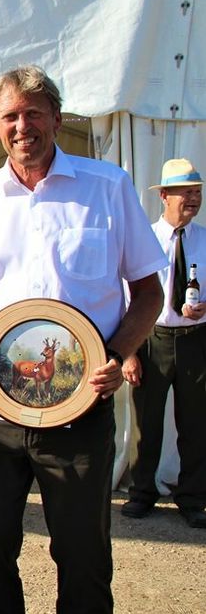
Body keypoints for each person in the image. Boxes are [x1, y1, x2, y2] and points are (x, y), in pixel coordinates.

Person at [0, 66, 166, 614]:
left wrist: (114, 353)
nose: (22, 126)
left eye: (33, 113)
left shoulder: (107, 187)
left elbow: (150, 293)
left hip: (80, 411)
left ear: (57, 119)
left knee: (84, 559)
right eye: (10, 116)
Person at [122, 158, 206, 529]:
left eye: (198, 193)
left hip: (195, 341)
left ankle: (192, 498)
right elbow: (127, 297)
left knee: (196, 424)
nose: (193, 199)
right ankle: (142, 493)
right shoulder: (145, 238)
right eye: (186, 192)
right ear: (165, 196)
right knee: (146, 424)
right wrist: (128, 353)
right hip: (150, 340)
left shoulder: (205, 239)